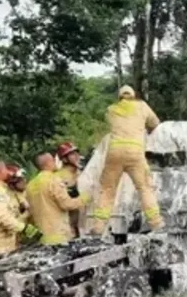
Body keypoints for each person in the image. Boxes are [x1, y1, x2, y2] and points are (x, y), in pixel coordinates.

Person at [89, 85, 163, 235]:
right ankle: (157, 223)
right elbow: (155, 124)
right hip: (135, 152)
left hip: (114, 152)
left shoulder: (111, 109)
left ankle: (98, 226)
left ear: (120, 97)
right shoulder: (142, 106)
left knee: (108, 189)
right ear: (133, 95)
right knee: (144, 188)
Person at [27, 152, 91, 246]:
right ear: (49, 162)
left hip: (42, 238)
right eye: (53, 160)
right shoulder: (53, 180)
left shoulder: (30, 185)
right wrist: (84, 198)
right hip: (59, 236)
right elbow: (66, 204)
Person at [55, 142, 82, 235]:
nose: (77, 156)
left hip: (82, 221)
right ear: (64, 159)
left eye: (77, 153)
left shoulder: (80, 172)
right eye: (72, 154)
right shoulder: (60, 176)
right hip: (69, 223)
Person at [4, 163, 30, 242]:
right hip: (16, 238)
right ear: (11, 184)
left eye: (23, 179)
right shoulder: (8, 199)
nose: (24, 181)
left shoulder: (24, 192)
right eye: (20, 181)